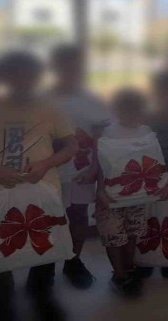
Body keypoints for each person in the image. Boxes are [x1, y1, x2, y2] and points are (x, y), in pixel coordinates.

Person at [0, 52, 78, 321]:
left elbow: (72, 146)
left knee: (45, 242)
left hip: (43, 188)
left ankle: (42, 294)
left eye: (29, 75)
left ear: (37, 77)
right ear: (4, 77)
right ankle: (2, 300)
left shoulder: (51, 108)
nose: (22, 81)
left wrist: (46, 164)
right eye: (15, 75)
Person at [95, 89, 168, 297]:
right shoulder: (107, 132)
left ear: (142, 110)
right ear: (116, 110)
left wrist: (166, 183)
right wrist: (100, 190)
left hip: (138, 195)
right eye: (126, 110)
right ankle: (119, 275)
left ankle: (129, 269)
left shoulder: (146, 131)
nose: (131, 114)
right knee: (113, 235)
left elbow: (158, 161)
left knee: (132, 233)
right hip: (111, 195)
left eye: (135, 110)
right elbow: (101, 165)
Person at [49, 45, 110, 289]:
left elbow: (100, 138)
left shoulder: (91, 100)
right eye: (65, 64)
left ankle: (73, 262)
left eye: (75, 65)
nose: (70, 70)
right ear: (55, 67)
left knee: (78, 216)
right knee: (48, 218)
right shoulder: (42, 99)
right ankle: (43, 267)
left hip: (81, 171)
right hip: (48, 171)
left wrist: (95, 167)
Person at [142, 71, 168, 279]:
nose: (166, 95)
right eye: (162, 91)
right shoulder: (145, 117)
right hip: (146, 176)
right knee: (147, 218)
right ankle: (145, 259)